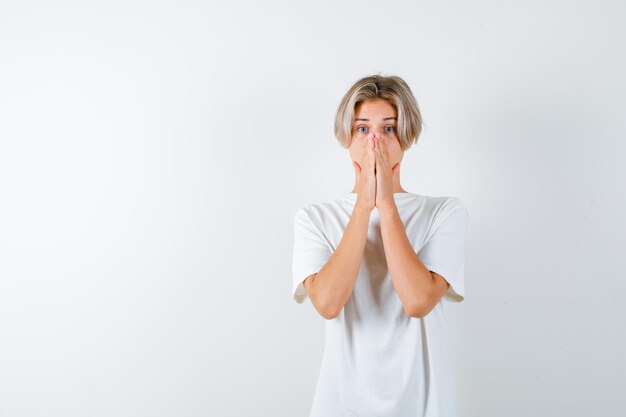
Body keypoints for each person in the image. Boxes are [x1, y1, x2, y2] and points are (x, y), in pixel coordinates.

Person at [291, 74, 470, 417]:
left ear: (408, 136)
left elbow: (418, 301)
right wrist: (363, 205)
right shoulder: (314, 218)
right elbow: (328, 303)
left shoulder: (444, 212)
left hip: (425, 406)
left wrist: (386, 205)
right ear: (347, 137)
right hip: (340, 405)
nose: (375, 140)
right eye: (362, 129)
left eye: (388, 129)